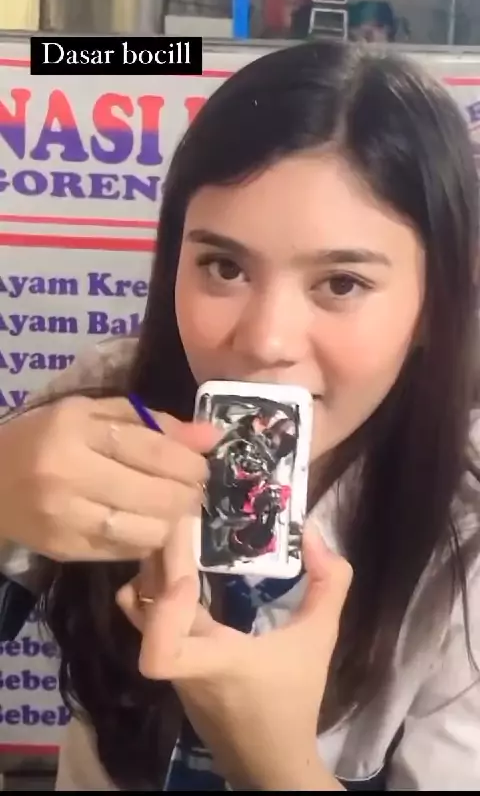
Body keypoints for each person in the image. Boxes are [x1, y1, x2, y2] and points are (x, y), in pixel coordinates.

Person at [0, 39, 479, 790]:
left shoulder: (467, 534)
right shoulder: (106, 400)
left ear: (432, 308)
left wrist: (274, 759)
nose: (264, 342)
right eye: (223, 267)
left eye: (342, 283)